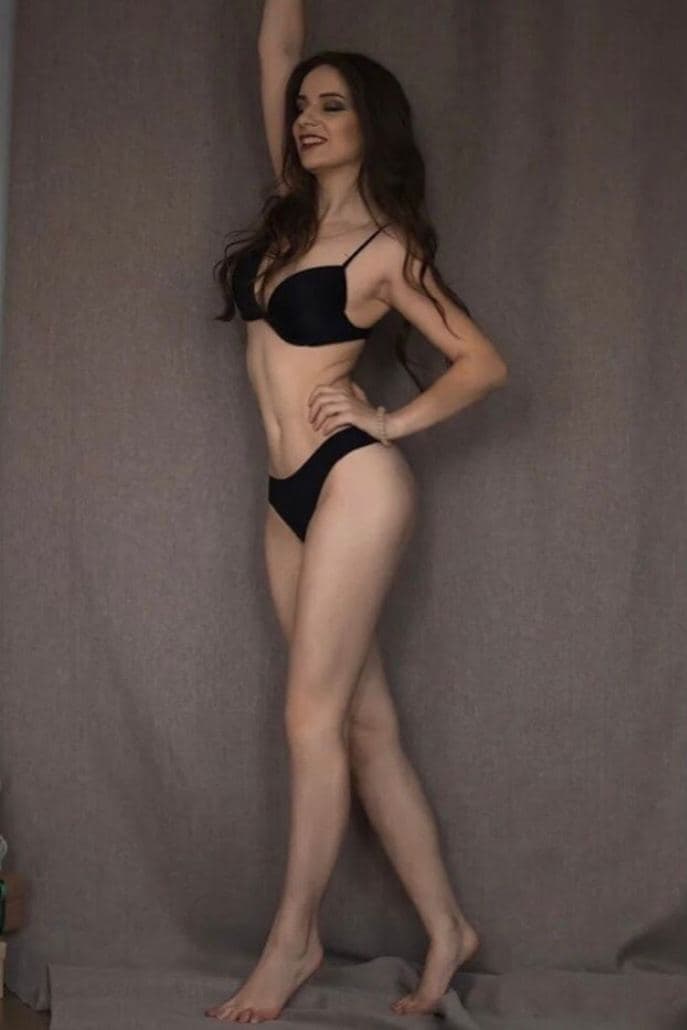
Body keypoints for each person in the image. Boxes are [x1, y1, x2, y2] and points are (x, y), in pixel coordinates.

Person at [208, 1, 508, 1022]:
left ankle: (292, 941)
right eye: (302, 107)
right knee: (364, 725)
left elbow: (483, 363)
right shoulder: (290, 214)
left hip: (352, 480)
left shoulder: (384, 249)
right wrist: (286, 62)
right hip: (284, 495)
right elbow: (276, 45)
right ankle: (448, 927)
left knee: (309, 716)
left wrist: (391, 420)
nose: (307, 117)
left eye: (331, 105)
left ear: (370, 122)